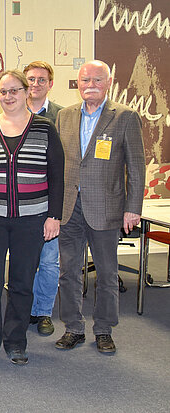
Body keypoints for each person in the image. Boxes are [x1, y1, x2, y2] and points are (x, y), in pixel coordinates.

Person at [0, 70, 64, 369]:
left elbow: (57, 176)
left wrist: (53, 215)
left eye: (14, 90)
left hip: (31, 219)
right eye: (3, 92)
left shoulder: (44, 128)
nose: (8, 96)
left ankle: (16, 341)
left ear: (26, 92)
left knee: (21, 282)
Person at [54, 60, 145, 354]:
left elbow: (136, 166)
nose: (89, 85)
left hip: (107, 208)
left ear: (108, 83)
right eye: (84, 80)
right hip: (70, 207)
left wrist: (133, 208)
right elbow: (56, 165)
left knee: (106, 274)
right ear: (77, 84)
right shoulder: (65, 116)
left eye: (96, 80)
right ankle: (73, 328)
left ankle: (104, 329)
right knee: (68, 272)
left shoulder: (125, 117)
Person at [23, 61, 64, 336]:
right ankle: (24, 307)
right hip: (19, 201)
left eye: (41, 80)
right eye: (30, 79)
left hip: (49, 200)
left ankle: (43, 312)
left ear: (50, 84)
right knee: (24, 260)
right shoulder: (12, 113)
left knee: (49, 261)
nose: (35, 84)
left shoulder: (63, 116)